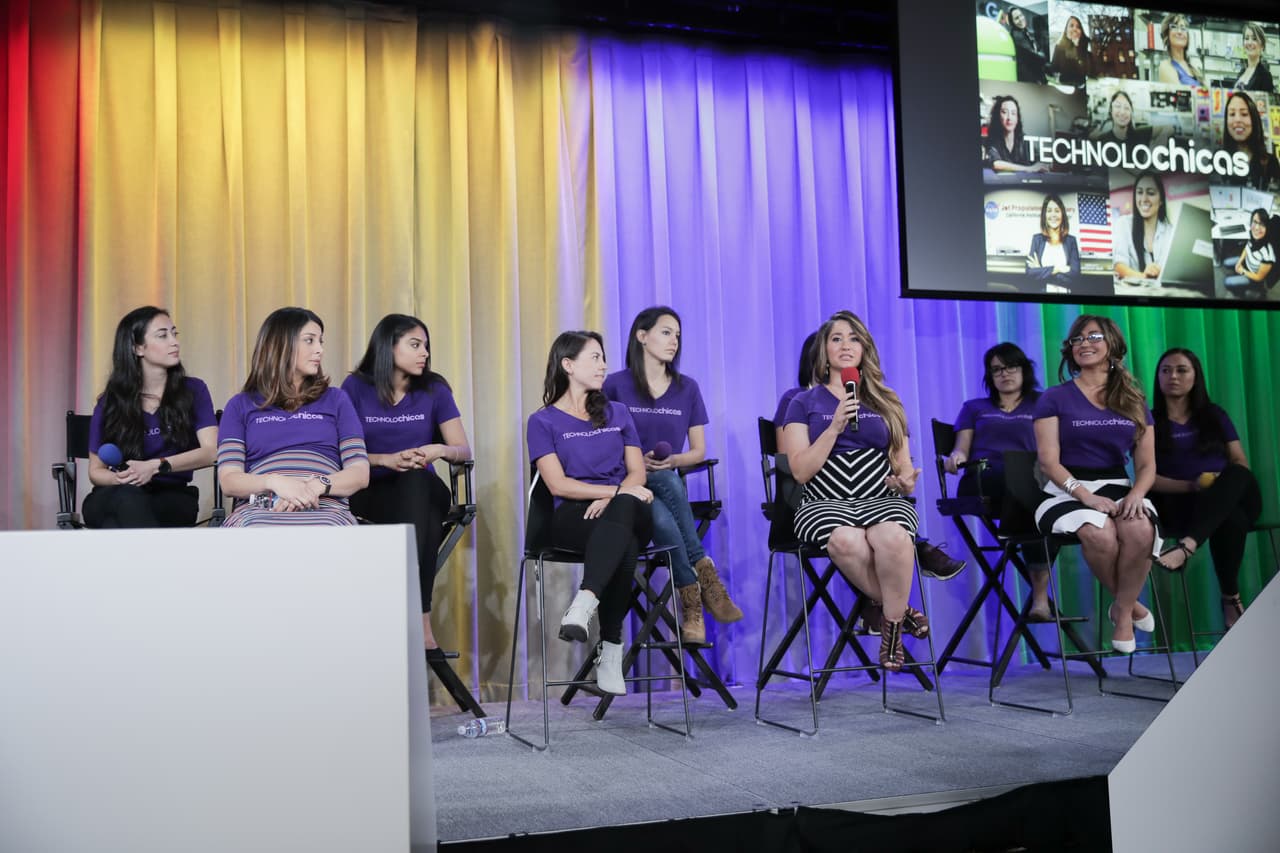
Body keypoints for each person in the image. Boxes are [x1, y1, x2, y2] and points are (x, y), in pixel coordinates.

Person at [781, 311, 927, 670]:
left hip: (879, 495)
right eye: (836, 339)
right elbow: (799, 470)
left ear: (865, 348)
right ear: (824, 350)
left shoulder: (887, 400)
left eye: (854, 338)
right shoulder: (803, 402)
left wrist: (905, 479)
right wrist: (833, 428)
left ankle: (889, 629)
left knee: (894, 539)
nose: (845, 345)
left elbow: (902, 462)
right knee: (845, 541)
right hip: (824, 499)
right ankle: (902, 611)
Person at [775, 331, 964, 583]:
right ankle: (908, 567)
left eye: (852, 343)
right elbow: (786, 457)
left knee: (882, 529)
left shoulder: (874, 398)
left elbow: (897, 454)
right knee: (853, 537)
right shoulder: (797, 399)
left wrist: (903, 474)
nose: (844, 351)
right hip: (815, 493)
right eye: (834, 345)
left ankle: (882, 605)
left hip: (873, 494)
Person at [603, 307, 743, 644]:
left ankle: (692, 607)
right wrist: (636, 462)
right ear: (642, 335)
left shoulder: (687, 388)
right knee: (656, 493)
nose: (674, 341)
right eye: (666, 332)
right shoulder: (615, 386)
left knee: (663, 501)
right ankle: (703, 576)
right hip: (626, 485)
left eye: (677, 335)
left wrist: (672, 460)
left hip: (666, 489)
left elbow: (698, 451)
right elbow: (603, 442)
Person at [527, 330, 655, 695]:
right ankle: (611, 650)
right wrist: (613, 493)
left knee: (629, 509)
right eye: (594, 357)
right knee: (624, 542)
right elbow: (558, 486)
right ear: (568, 365)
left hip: (628, 506)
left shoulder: (618, 412)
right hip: (573, 516)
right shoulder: (543, 422)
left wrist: (618, 496)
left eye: (603, 357)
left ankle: (585, 601)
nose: (603, 365)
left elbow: (638, 474)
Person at [342, 314, 472, 652]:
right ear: (389, 347)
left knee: (415, 486)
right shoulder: (355, 388)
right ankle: (421, 621)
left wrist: (437, 450)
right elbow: (344, 455)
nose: (424, 353)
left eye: (426, 346)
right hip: (370, 492)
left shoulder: (434, 388)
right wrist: (387, 459)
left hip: (422, 487)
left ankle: (411, 616)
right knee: (425, 521)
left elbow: (463, 449)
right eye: (415, 345)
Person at [1032, 315, 1159, 654]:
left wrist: (1136, 493)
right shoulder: (1054, 397)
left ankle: (1121, 607)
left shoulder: (1133, 399)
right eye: (1077, 339)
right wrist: (1084, 495)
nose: (1084, 343)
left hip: (1119, 485)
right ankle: (1127, 610)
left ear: (1113, 345)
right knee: (1098, 531)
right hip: (1065, 488)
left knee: (1140, 531)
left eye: (1093, 336)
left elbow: (1147, 464)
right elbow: (1048, 462)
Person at [218, 307, 369, 526]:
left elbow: (359, 473)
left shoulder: (337, 400)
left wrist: (317, 486)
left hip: (324, 506)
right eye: (309, 340)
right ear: (279, 344)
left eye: (321, 341)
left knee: (331, 532)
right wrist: (276, 483)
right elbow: (229, 480)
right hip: (261, 507)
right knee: (253, 531)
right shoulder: (240, 405)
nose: (319, 350)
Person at [1149, 348, 1262, 631]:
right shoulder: (1148, 422)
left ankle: (1186, 547)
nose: (1173, 376)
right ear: (1158, 377)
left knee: (1237, 473)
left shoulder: (1214, 415)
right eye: (1166, 370)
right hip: (1182, 506)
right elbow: (1147, 477)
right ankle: (1231, 599)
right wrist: (1191, 485)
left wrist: (1215, 484)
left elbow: (1239, 462)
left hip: (1228, 493)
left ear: (1195, 376)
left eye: (1182, 370)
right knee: (1230, 518)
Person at [83, 306, 218, 527]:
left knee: (114, 524)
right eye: (163, 335)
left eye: (174, 334)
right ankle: (156, 560)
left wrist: (156, 466)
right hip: (116, 493)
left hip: (172, 496)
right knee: (125, 498)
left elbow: (212, 452)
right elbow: (96, 472)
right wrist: (120, 478)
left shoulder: (194, 391)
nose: (174, 342)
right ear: (137, 348)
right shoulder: (110, 401)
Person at [944, 342, 1051, 619]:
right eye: (997, 369)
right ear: (989, 376)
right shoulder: (974, 407)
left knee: (1033, 498)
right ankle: (1040, 599)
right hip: (983, 479)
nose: (1004, 374)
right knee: (1033, 502)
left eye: (1011, 367)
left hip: (1030, 482)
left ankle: (1039, 598)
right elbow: (961, 448)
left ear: (1024, 370)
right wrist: (954, 456)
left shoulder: (1042, 404)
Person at [1112, 171, 1172, 284]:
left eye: (1150, 193)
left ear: (1161, 201)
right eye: (1139, 192)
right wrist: (1143, 276)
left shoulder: (1169, 231)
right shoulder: (1123, 224)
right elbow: (1119, 266)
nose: (1144, 198)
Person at [1221, 91, 1280, 191]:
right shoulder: (1219, 159)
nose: (1237, 120)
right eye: (1232, 114)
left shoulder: (1269, 162)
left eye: (1244, 114)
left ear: (1254, 119)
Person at [1026, 194, 1081, 294]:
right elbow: (1030, 273)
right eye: (1049, 211)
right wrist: (1057, 269)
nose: (1053, 215)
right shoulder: (1037, 240)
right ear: (1044, 215)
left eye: (1057, 211)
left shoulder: (1071, 241)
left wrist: (1041, 271)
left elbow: (1075, 274)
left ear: (1062, 214)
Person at [982, 95, 1049, 174]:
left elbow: (1039, 162)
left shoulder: (1025, 140)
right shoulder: (992, 140)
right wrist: (1029, 169)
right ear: (998, 116)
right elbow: (996, 164)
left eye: (1013, 113)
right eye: (1004, 112)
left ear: (1017, 118)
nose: (1009, 117)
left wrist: (1041, 166)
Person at [1223, 208, 1276, 299]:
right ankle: (1239, 281)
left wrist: (1243, 271)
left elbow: (1259, 277)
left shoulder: (1268, 255)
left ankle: (1240, 292)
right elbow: (1247, 248)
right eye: (1255, 222)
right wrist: (1239, 261)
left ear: (1267, 227)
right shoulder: (1254, 237)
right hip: (1247, 264)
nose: (1256, 228)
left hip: (1253, 277)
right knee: (1225, 262)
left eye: (1262, 224)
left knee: (1227, 282)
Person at [1092, 91, 1154, 157]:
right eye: (1118, 106)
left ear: (1131, 112)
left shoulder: (1140, 141)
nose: (1122, 112)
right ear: (1111, 110)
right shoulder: (1101, 142)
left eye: (1126, 108)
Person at [1157, 13, 1203, 88]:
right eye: (1174, 27)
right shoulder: (1165, 66)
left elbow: (1208, 94)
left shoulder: (1194, 69)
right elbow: (1180, 94)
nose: (1179, 32)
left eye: (1183, 28)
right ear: (1167, 35)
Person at [1006, 6, 1046, 85]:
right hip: (1029, 80)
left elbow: (1037, 49)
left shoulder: (1025, 31)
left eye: (1021, 15)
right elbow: (1032, 55)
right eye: (1016, 18)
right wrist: (1043, 58)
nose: (1021, 19)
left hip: (1034, 77)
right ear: (1012, 22)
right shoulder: (1016, 35)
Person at [1050, 15, 1093, 85]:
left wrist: (1077, 47)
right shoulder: (1059, 47)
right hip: (1064, 85)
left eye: (1078, 27)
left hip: (1081, 86)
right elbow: (1054, 68)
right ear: (1066, 30)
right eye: (1071, 26)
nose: (1074, 29)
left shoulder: (1085, 48)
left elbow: (1086, 71)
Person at [1233, 23, 1274, 95]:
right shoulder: (1241, 72)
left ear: (1262, 46)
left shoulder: (1265, 76)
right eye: (1246, 38)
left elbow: (1266, 105)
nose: (1249, 42)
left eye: (1254, 39)